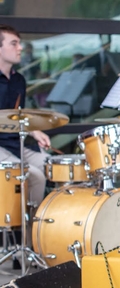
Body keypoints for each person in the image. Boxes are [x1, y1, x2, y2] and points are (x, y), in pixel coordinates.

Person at [0, 25, 51, 211]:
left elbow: (18, 113)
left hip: (16, 143)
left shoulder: (19, 80)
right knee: (35, 176)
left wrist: (35, 131)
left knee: (53, 166)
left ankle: (47, 228)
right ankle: (25, 234)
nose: (20, 48)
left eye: (19, 43)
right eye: (14, 44)